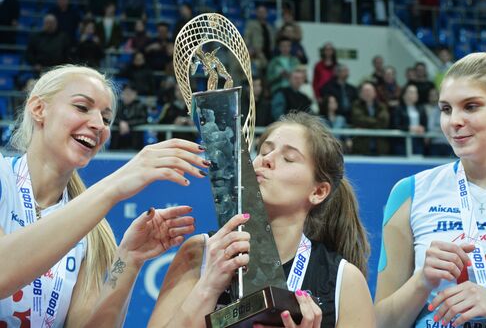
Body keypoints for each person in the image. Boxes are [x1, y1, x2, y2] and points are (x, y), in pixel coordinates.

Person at [0, 65, 208, 326]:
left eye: (107, 119)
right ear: (39, 109)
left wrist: (128, 260)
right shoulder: (3, 179)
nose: (98, 124)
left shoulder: (92, 232)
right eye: (82, 107)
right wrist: (115, 185)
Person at [148, 112, 376, 328]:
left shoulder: (344, 281)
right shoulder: (201, 253)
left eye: (288, 158)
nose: (266, 159)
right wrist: (207, 288)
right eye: (264, 150)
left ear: (318, 192)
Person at [375, 52, 486, 327]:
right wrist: (421, 281)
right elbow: (378, 324)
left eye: (471, 106)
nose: (454, 121)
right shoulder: (410, 193)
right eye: (446, 109)